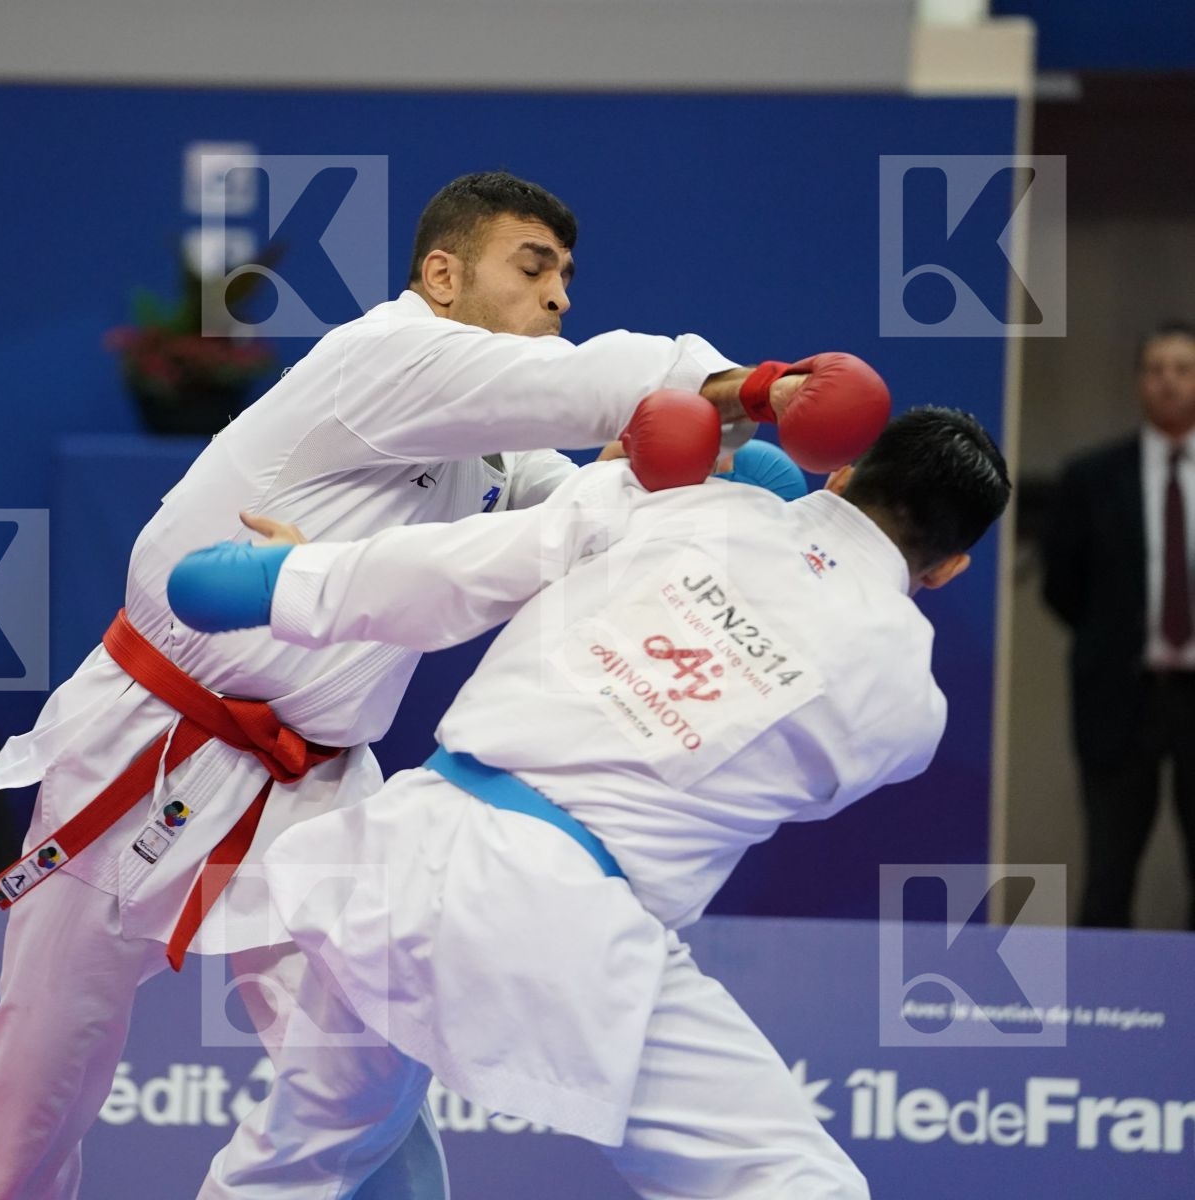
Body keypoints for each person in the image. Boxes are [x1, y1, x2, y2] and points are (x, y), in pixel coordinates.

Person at [0, 170, 888, 1199]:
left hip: (312, 789)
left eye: (569, 276)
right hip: (145, 748)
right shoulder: (384, 356)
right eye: (534, 268)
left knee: (368, 1077)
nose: (560, 296)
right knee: (41, 1066)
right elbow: (597, 386)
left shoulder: (496, 440)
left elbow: (587, 519)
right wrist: (759, 388)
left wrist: (732, 488)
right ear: (443, 275)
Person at [169, 406, 1010, 1199]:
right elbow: (815, 778)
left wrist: (295, 577)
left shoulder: (684, 507)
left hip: (409, 843)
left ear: (844, 474)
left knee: (302, 1148)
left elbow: (462, 565)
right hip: (556, 917)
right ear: (949, 567)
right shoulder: (907, 701)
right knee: (788, 1179)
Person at [1044, 320, 1195, 929]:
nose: (1169, 382)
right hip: (1120, 697)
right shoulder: (1091, 477)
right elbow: (1063, 588)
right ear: (1139, 382)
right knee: (1108, 872)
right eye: (1156, 369)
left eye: (1183, 369)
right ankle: (1097, 1012)